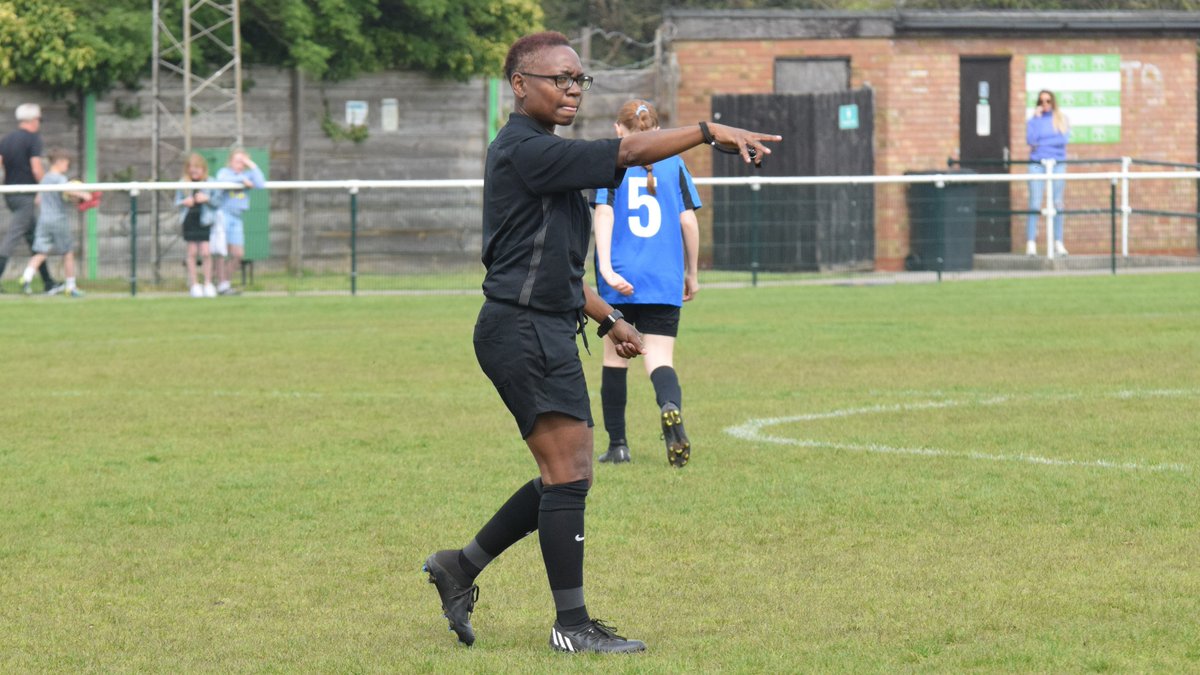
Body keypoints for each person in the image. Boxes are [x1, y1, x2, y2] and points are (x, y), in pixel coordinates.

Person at [421, 31, 780, 655]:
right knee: (570, 474)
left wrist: (609, 317)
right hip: (522, 329)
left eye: (578, 80)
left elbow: (557, 266)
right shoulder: (524, 149)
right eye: (557, 78)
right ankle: (571, 625)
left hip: (542, 323)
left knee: (567, 474)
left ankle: (460, 566)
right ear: (519, 84)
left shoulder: (545, 154)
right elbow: (627, 151)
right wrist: (704, 131)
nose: (570, 89)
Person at [593, 99, 701, 468]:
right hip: (663, 277)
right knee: (659, 358)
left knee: (614, 358)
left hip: (621, 276)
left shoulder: (611, 161)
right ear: (657, 132)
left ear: (618, 130)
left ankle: (618, 446)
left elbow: (604, 211)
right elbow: (688, 222)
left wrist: (606, 268)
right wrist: (692, 272)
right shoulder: (675, 162)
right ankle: (669, 406)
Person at [18, 149, 91, 297]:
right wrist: (84, 194)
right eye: (66, 164)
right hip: (58, 219)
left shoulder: (44, 179)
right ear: (60, 162)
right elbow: (69, 191)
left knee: (41, 252)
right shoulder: (60, 179)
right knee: (68, 252)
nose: (67, 167)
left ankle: (26, 278)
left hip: (43, 219)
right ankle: (70, 286)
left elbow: (38, 200)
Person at [0, 103, 56, 292]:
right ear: (33, 120)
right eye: (39, 119)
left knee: (33, 238)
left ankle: (48, 282)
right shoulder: (33, 140)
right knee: (13, 237)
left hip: (10, 195)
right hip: (25, 195)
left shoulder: (6, 140)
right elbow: (36, 167)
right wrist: (45, 188)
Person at [1025, 89, 1070, 257]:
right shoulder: (1033, 121)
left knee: (1057, 203)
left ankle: (1058, 242)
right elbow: (1031, 140)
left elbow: (1062, 140)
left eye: (1048, 101)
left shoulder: (1061, 119)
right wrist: (1036, 120)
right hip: (1037, 164)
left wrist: (1042, 144)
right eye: (1041, 101)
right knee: (1035, 203)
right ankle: (1031, 243)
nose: (1045, 104)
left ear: (1053, 102)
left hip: (1057, 164)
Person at [214, 148, 265, 295]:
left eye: (243, 162)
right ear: (230, 162)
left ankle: (225, 282)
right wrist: (241, 180)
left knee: (238, 254)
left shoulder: (248, 174)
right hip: (223, 215)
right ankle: (221, 283)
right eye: (238, 161)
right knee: (222, 252)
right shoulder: (224, 172)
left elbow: (260, 183)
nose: (240, 165)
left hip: (237, 218)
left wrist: (252, 165)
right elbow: (222, 181)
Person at [174, 153, 222, 297]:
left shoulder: (211, 182)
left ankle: (208, 283)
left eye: (197, 168)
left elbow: (217, 202)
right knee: (192, 253)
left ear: (203, 168)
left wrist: (207, 199)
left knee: (206, 252)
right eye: (191, 168)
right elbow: (176, 202)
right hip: (190, 220)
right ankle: (194, 285)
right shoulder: (183, 182)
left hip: (205, 220)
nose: (194, 171)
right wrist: (184, 202)